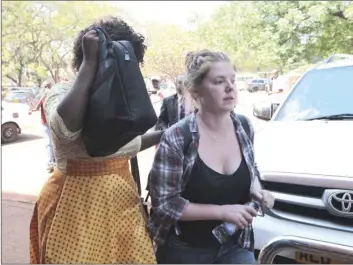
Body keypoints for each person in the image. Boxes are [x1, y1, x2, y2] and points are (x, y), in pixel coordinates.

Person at [29, 16, 161, 264]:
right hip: (72, 206)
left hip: (121, 201)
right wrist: (90, 65)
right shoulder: (61, 91)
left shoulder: (121, 99)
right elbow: (65, 129)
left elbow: (126, 147)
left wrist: (167, 133)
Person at [148, 50, 275, 264]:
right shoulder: (178, 138)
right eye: (219, 81)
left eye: (233, 80)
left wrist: (257, 190)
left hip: (236, 245)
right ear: (197, 93)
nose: (230, 87)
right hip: (186, 250)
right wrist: (222, 212)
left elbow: (251, 168)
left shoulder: (244, 127)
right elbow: (165, 206)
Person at [32, 83, 55, 172]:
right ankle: (53, 162)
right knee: (52, 143)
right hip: (50, 122)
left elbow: (36, 108)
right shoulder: (53, 96)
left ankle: (50, 162)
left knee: (49, 143)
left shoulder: (46, 96)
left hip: (47, 122)